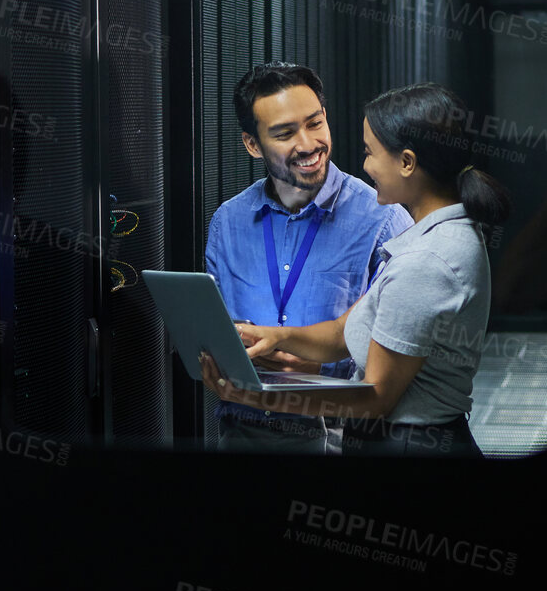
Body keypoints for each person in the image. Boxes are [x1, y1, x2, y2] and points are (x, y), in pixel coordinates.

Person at [200, 82, 511, 458]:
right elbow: (342, 332)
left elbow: (375, 398)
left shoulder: (426, 262)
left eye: (370, 153)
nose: (364, 166)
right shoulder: (429, 241)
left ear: (407, 163)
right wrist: (275, 337)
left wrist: (257, 395)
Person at [204, 63, 413, 453]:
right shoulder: (228, 222)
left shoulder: (383, 220)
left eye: (315, 123)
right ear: (252, 145)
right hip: (241, 430)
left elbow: (400, 356)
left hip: (335, 434)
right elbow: (215, 328)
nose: (307, 144)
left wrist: (320, 368)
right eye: (284, 133)